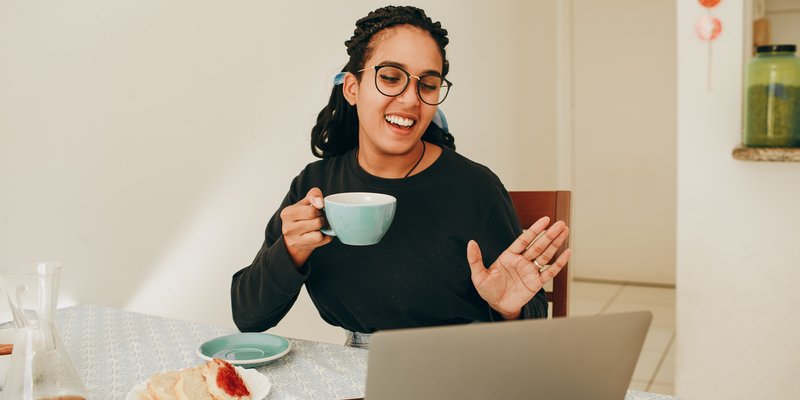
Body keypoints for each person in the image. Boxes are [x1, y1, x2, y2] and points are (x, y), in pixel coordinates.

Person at [230, 5, 571, 348]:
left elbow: (530, 317)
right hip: (354, 370)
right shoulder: (315, 186)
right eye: (391, 77)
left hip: (462, 366)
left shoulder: (475, 188)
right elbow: (248, 317)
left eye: (428, 84)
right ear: (352, 88)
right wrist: (289, 251)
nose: (410, 99)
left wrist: (506, 309)